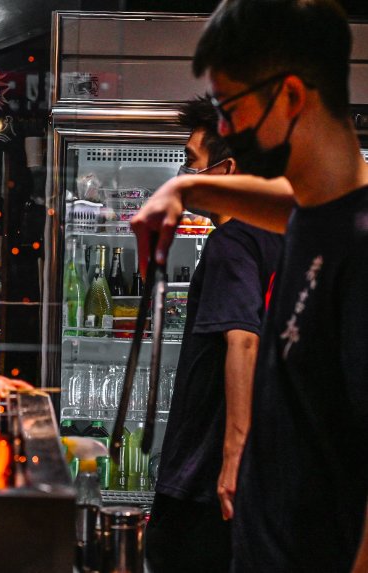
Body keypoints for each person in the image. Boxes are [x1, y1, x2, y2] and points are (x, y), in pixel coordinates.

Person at [130, 1, 368, 570]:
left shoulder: (358, 246)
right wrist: (185, 192)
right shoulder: (319, 214)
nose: (227, 131)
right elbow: (296, 203)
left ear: (289, 98)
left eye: (231, 109)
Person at [144, 96, 283, 573]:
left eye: (191, 163)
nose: (182, 177)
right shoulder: (282, 234)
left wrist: (232, 456)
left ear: (226, 170)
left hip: (204, 477)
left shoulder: (233, 240)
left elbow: (243, 338)